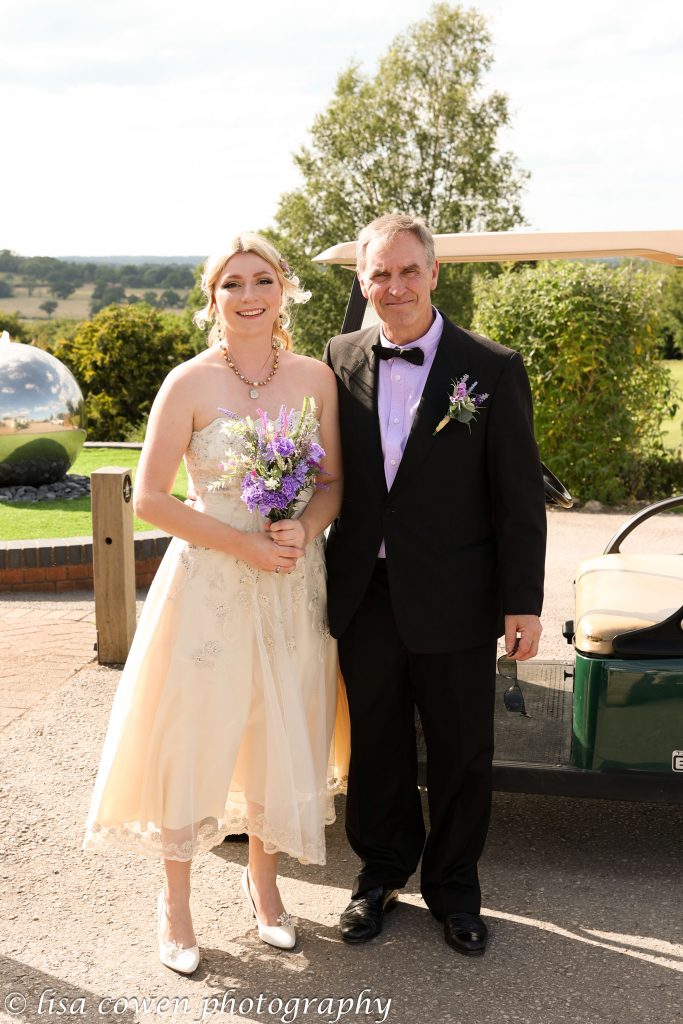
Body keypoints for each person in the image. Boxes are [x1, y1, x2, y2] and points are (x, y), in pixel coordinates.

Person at [83, 233, 346, 973]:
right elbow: (151, 500)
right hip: (211, 583)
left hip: (292, 580)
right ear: (213, 298)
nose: (249, 294)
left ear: (284, 290)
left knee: (275, 728)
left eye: (262, 279)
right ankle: (176, 903)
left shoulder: (315, 379)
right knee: (197, 732)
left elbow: (332, 484)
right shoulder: (188, 382)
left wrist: (303, 529)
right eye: (232, 283)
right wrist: (246, 546)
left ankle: (266, 891)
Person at [324, 213, 546, 956]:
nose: (394, 287)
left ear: (434, 273)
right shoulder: (336, 355)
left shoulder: (490, 367)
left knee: (459, 750)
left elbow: (517, 499)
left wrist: (524, 602)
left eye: (407, 270)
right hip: (365, 592)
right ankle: (379, 876)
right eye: (379, 274)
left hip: (456, 594)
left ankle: (454, 890)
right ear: (362, 281)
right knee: (376, 747)